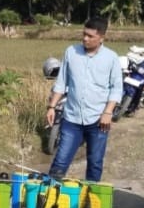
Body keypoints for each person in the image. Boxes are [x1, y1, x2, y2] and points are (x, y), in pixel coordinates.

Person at [47, 17, 122, 182]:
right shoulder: (71, 52)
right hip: (72, 119)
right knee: (60, 162)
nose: (85, 39)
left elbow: (116, 89)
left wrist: (108, 112)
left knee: (95, 163)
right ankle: (47, 200)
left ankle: (89, 203)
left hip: (98, 121)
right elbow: (62, 82)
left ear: (101, 37)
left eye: (90, 36)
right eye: (84, 34)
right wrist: (52, 107)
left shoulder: (111, 58)